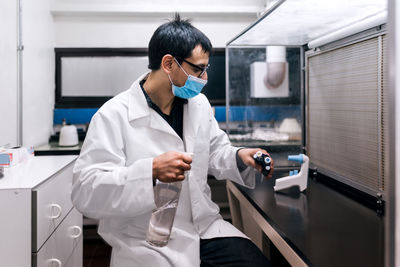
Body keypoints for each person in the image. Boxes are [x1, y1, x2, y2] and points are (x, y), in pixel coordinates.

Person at [71, 14, 274, 267]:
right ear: (168, 63)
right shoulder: (113, 115)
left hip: (203, 228)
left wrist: (239, 155)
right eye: (198, 69)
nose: (204, 78)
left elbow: (214, 151)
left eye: (205, 69)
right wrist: (151, 171)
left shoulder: (198, 105)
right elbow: (85, 191)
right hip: (144, 240)